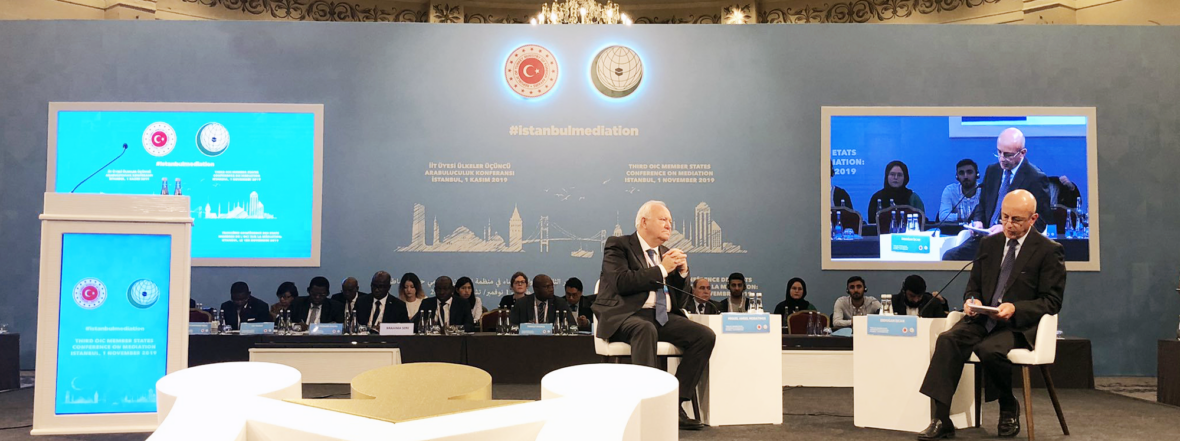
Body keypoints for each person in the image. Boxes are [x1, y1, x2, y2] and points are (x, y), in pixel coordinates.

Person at [917, 190, 1066, 440]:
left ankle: (1007, 405)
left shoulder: (1049, 250)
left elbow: (1052, 301)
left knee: (989, 350)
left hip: (1017, 325)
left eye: (1016, 219)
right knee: (948, 340)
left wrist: (1016, 308)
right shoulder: (989, 244)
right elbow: (974, 286)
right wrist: (972, 300)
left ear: (1033, 218)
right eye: (1004, 217)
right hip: (983, 318)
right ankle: (941, 418)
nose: (1009, 224)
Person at [594, 200, 716, 431]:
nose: (669, 225)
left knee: (704, 336)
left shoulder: (665, 253)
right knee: (644, 328)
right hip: (627, 315)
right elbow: (621, 282)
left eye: (670, 221)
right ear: (644, 222)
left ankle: (673, 404)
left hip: (662, 317)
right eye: (663, 220)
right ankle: (649, 406)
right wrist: (662, 269)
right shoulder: (618, 245)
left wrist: (682, 273)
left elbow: (679, 301)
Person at [943, 128, 1054, 260]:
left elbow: (1040, 221)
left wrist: (1006, 229)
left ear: (1022, 153)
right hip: (986, 238)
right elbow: (982, 205)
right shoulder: (993, 170)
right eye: (999, 152)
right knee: (950, 257)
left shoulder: (1035, 178)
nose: (1001, 158)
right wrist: (978, 221)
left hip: (1014, 242)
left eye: (1007, 154)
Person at [510, 274, 574, 325]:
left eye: (552, 286)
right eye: (547, 287)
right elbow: (512, 325)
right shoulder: (521, 304)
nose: (551, 289)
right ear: (536, 289)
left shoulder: (560, 303)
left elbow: (572, 325)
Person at [938, 159, 981, 223]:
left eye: (969, 172)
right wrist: (961, 216)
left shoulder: (984, 191)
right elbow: (943, 216)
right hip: (957, 228)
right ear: (957, 176)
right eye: (961, 173)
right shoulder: (950, 190)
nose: (965, 176)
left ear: (977, 174)